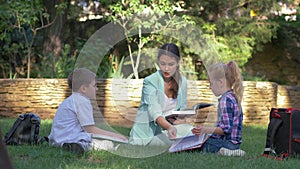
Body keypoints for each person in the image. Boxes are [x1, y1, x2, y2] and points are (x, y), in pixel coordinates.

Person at [48, 68, 128, 153]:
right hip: (70, 139)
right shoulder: (82, 101)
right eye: (94, 86)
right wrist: (115, 136)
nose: (96, 89)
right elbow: (90, 130)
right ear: (83, 89)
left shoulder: (72, 99)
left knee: (92, 138)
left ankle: (71, 145)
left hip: (57, 140)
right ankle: (78, 147)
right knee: (107, 144)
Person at [129, 43, 193, 146]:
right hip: (146, 137)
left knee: (192, 130)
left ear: (177, 63)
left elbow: (181, 110)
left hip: (167, 131)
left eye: (171, 64)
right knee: (189, 137)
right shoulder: (150, 81)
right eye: (163, 64)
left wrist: (180, 120)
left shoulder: (183, 82)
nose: (166, 68)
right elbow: (155, 113)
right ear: (158, 62)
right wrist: (170, 127)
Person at [192, 61, 245, 156]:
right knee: (205, 139)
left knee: (200, 145)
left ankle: (227, 152)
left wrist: (205, 129)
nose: (209, 87)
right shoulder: (232, 97)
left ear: (220, 82)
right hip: (234, 144)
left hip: (227, 144)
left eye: (211, 83)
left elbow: (225, 129)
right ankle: (231, 152)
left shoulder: (225, 100)